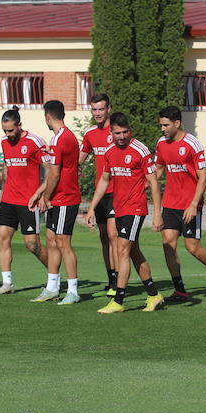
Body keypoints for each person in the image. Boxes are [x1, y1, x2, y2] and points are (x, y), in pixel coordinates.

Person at [86, 112, 165, 313]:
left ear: (130, 130)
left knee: (122, 249)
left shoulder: (140, 150)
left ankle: (118, 301)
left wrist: (157, 213)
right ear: (111, 132)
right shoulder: (109, 151)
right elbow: (104, 180)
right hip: (119, 207)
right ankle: (154, 295)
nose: (122, 136)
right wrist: (92, 207)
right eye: (118, 133)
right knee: (133, 252)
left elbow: (154, 183)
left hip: (135, 207)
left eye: (125, 132)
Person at [154, 106, 206, 303]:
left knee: (192, 248)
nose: (162, 129)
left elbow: (203, 177)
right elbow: (158, 170)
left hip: (190, 204)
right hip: (170, 203)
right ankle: (180, 291)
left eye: (165, 125)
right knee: (168, 245)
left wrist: (194, 204)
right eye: (161, 125)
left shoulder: (192, 144)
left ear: (177, 123)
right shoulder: (161, 143)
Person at [0, 108, 50, 295]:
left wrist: (43, 195)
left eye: (10, 130)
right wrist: (2, 194)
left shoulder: (34, 141)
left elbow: (50, 170)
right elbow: (7, 169)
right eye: (4, 131)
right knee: (2, 238)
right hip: (8, 199)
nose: (7, 134)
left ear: (19, 125)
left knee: (32, 245)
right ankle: (7, 283)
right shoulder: (4, 142)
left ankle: (54, 276)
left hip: (29, 201)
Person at [31, 100, 83, 305]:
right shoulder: (66, 136)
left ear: (47, 117)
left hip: (65, 198)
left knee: (63, 243)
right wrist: (39, 193)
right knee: (51, 240)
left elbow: (54, 174)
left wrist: (46, 198)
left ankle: (73, 290)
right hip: (58, 197)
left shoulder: (59, 139)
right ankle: (52, 287)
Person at [81, 93, 119, 295]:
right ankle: (110, 276)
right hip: (100, 193)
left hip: (117, 191)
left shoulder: (118, 132)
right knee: (104, 237)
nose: (97, 113)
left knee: (113, 236)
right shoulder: (90, 134)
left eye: (101, 109)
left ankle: (117, 282)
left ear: (108, 109)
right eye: (94, 109)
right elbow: (78, 159)